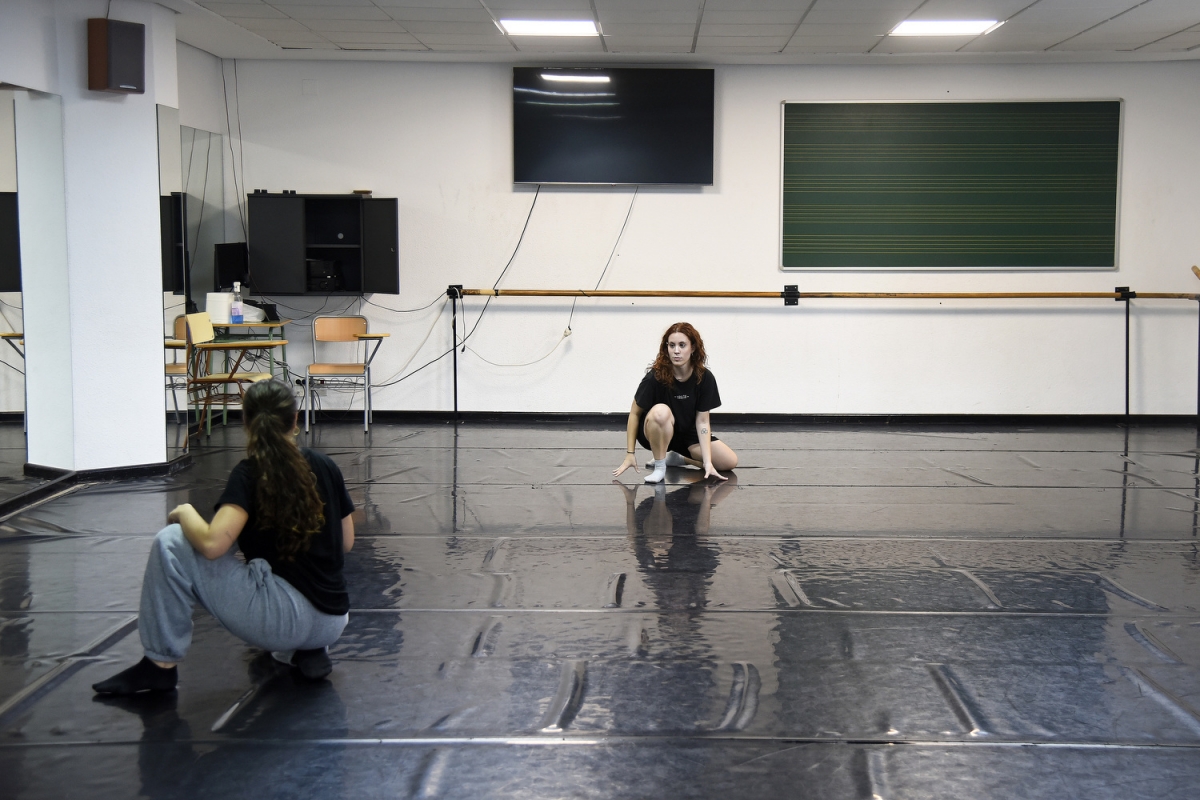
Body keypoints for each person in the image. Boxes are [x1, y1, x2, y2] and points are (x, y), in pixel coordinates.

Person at [93, 380, 355, 695]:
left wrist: (184, 511)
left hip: (283, 622)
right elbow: (346, 542)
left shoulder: (250, 473)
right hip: (334, 621)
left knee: (172, 541)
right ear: (295, 419)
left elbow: (213, 545)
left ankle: (158, 667)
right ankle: (308, 650)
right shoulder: (326, 466)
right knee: (287, 576)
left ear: (246, 422)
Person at [612, 322, 738, 484]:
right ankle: (660, 466)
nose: (676, 351)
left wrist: (707, 462)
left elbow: (702, 421)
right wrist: (630, 453)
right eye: (672, 345)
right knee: (661, 411)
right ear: (667, 348)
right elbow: (635, 414)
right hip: (656, 430)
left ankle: (678, 458)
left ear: (692, 348)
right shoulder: (655, 377)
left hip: (686, 433)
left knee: (728, 462)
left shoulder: (704, 377)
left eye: (682, 345)